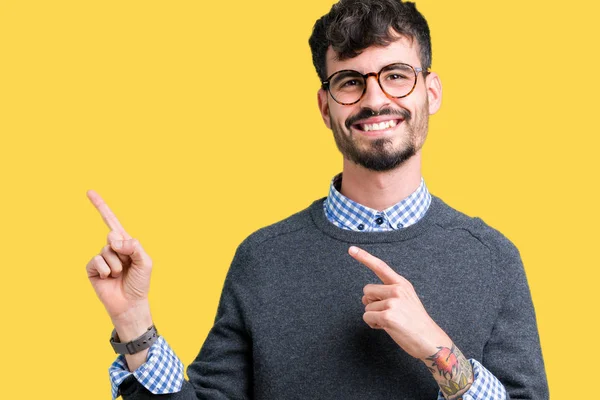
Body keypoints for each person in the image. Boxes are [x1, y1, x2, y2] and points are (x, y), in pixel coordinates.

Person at [86, 0, 548, 399]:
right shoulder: (264, 258)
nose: (375, 99)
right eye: (350, 81)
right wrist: (133, 323)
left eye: (396, 75)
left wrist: (437, 349)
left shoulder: (492, 258)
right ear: (326, 107)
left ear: (431, 92)